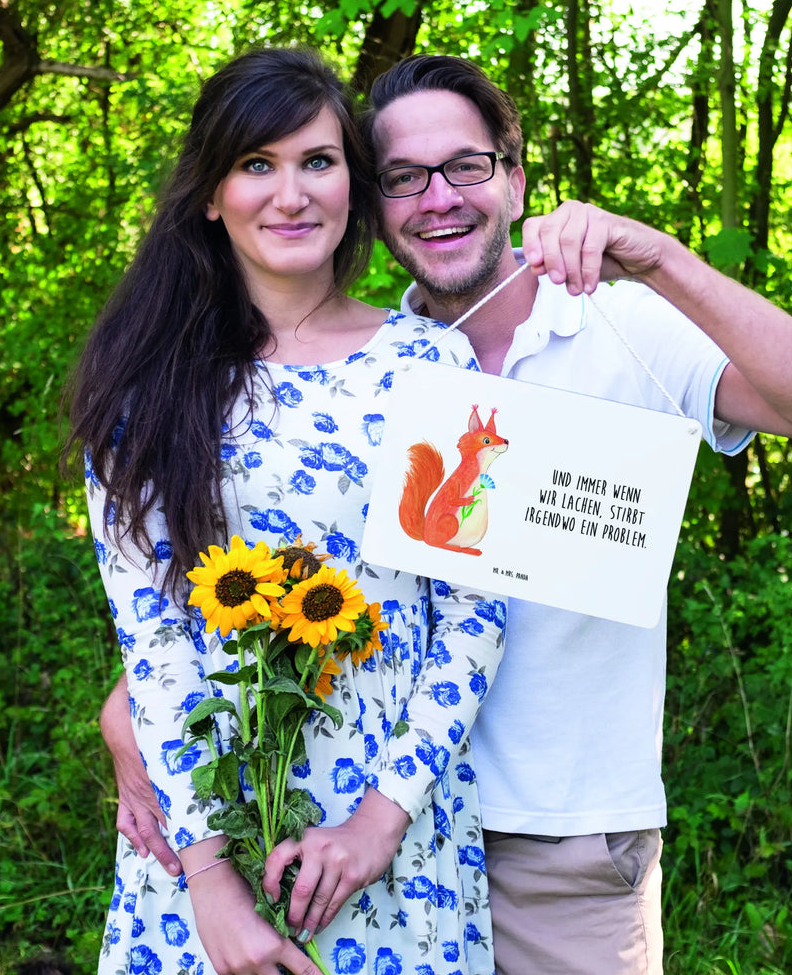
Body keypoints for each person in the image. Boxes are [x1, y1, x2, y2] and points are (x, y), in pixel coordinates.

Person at [103, 54, 792, 975]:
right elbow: (239, 575)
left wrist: (658, 257)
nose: (438, 198)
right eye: (404, 177)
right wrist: (135, 709)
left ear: (515, 178)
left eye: (465, 167)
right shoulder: (367, 366)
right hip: (323, 823)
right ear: (375, 200)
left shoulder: (610, 325)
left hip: (552, 840)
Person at [66, 48, 508, 975]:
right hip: (204, 832)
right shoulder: (146, 388)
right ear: (210, 194)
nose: (292, 194)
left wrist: (379, 823)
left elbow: (475, 613)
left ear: (354, 181)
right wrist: (211, 885)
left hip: (393, 834)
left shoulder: (431, 363)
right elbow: (153, 639)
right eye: (256, 164)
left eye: (318, 161)